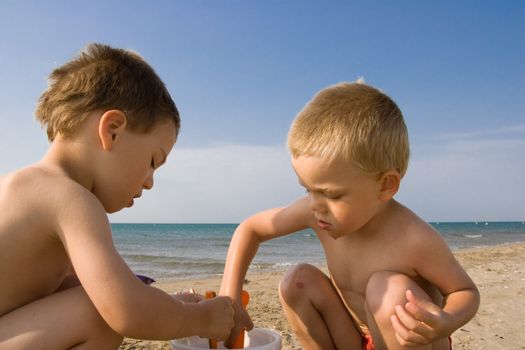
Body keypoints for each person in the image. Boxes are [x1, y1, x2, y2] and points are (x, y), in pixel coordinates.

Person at [0, 43, 234, 349]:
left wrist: (174, 305)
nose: (150, 182)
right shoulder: (70, 198)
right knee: (99, 315)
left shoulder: (26, 186)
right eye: (152, 161)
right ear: (112, 130)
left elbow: (77, 290)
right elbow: (124, 310)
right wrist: (201, 320)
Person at [220, 81, 479, 349]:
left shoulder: (413, 239)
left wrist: (447, 320)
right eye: (308, 189)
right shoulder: (317, 211)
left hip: (409, 341)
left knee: (386, 289)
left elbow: (465, 292)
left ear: (385, 185)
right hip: (355, 336)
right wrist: (231, 297)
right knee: (296, 281)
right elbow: (250, 229)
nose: (315, 205)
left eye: (331, 195)